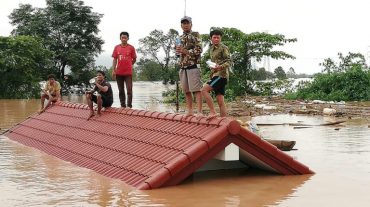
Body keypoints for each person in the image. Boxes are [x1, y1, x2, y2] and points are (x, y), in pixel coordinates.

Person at [176, 16, 203, 117]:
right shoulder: (179, 38)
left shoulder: (196, 34)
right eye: (183, 23)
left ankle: (199, 111)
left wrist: (185, 51)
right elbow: (178, 53)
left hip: (193, 65)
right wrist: (178, 51)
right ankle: (190, 111)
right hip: (183, 66)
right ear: (181, 25)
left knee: (196, 89)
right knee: (186, 90)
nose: (185, 25)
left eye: (187, 23)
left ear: (191, 24)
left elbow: (199, 50)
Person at [201, 29, 232, 119]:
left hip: (221, 75)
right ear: (211, 39)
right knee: (220, 101)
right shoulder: (211, 49)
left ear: (220, 38)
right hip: (215, 74)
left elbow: (229, 61)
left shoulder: (223, 48)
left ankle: (213, 112)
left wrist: (220, 67)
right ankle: (224, 121)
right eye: (214, 37)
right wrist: (213, 67)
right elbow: (215, 63)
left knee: (204, 90)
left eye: (218, 37)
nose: (216, 39)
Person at [112, 31, 137, 108]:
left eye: (125, 37)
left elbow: (134, 59)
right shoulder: (116, 47)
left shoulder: (131, 48)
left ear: (128, 38)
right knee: (121, 90)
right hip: (119, 73)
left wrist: (129, 64)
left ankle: (129, 106)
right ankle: (122, 105)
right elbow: (115, 59)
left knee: (129, 90)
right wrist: (113, 70)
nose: (123, 39)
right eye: (122, 37)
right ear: (120, 38)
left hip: (128, 73)